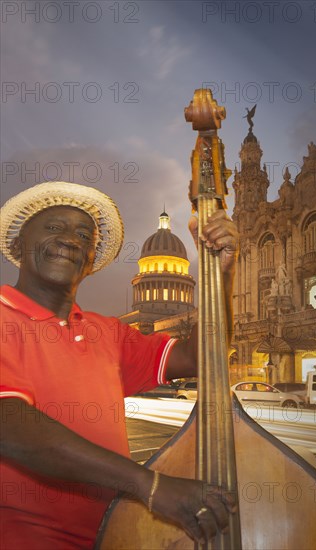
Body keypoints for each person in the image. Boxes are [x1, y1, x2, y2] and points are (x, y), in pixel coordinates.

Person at [0, 181, 239, 550]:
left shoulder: (107, 332)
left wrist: (220, 273)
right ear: (18, 244)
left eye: (84, 234)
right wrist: (149, 484)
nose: (70, 240)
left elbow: (200, 357)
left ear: (92, 259)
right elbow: (9, 422)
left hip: (118, 536)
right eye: (52, 228)